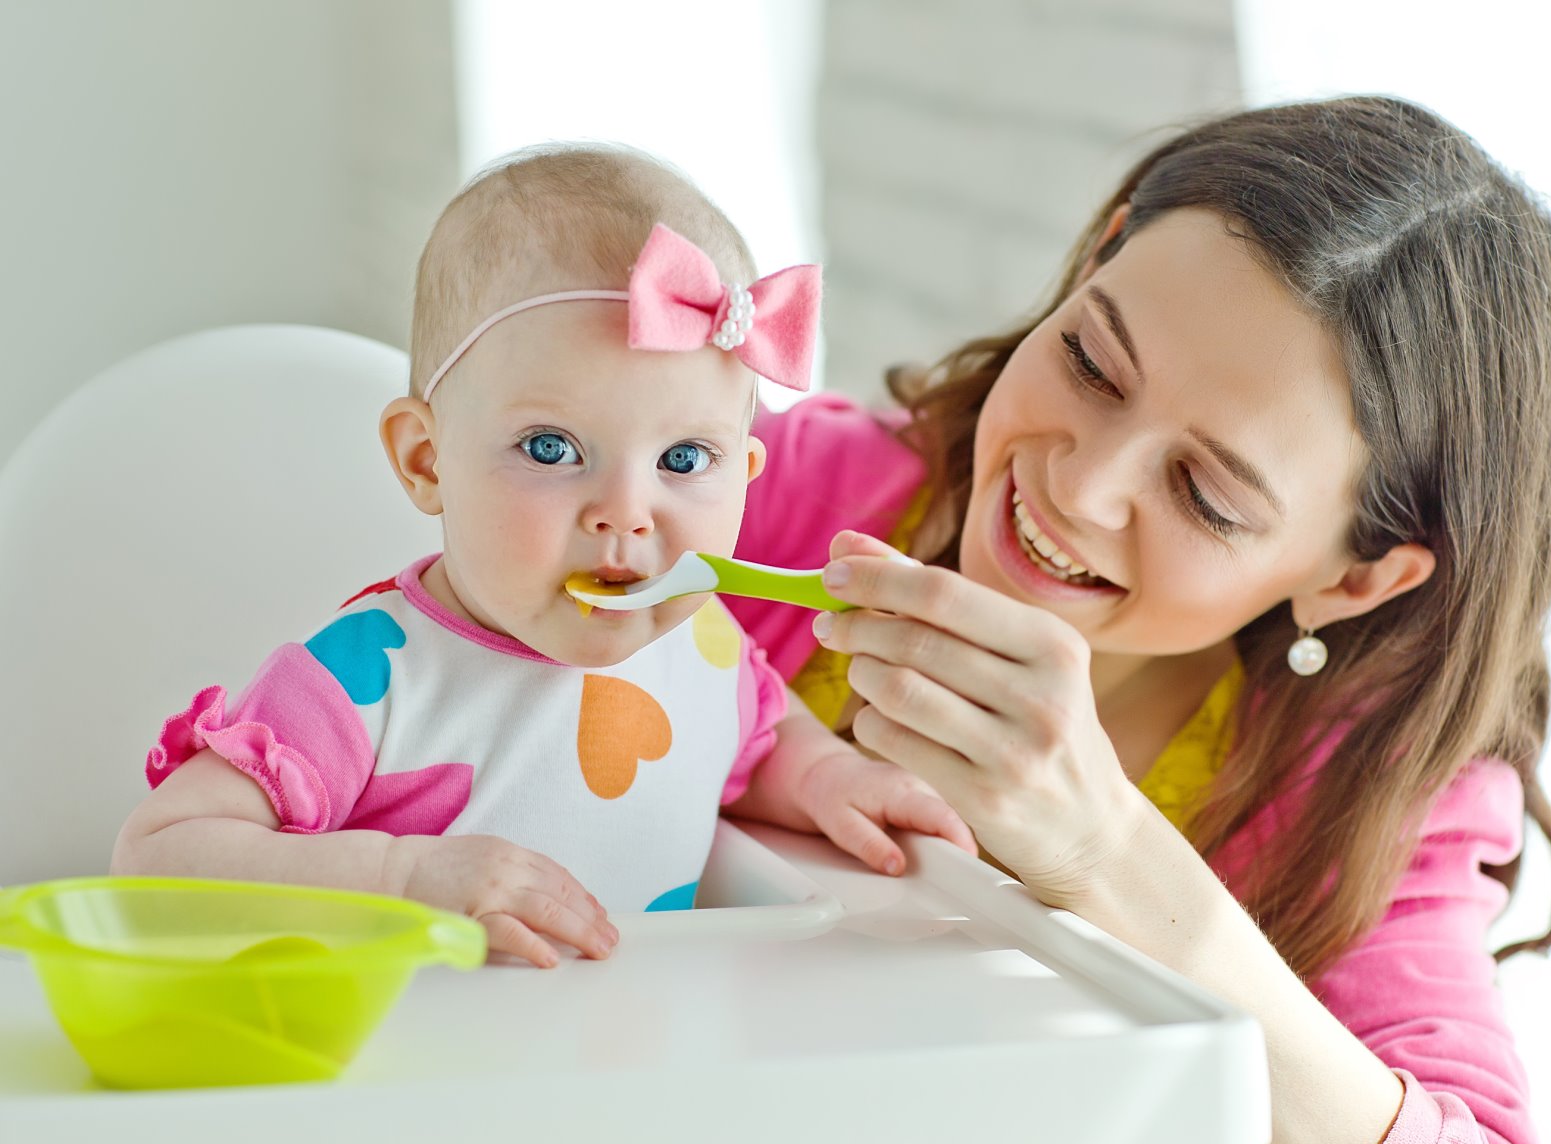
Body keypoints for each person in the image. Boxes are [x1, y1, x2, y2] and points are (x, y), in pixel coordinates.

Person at [726, 97, 1551, 1144]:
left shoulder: (1362, 806)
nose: (1079, 487)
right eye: (1090, 363)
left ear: (1354, 578)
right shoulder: (766, 494)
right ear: (1098, 253)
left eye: (1205, 495)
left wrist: (1099, 851)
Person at [111, 143, 974, 968]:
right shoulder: (367, 680)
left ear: (746, 478)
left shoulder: (705, 647)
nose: (626, 516)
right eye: (553, 449)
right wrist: (402, 880)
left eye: (682, 461)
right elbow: (155, 862)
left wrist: (828, 777)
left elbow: (763, 740)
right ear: (426, 459)